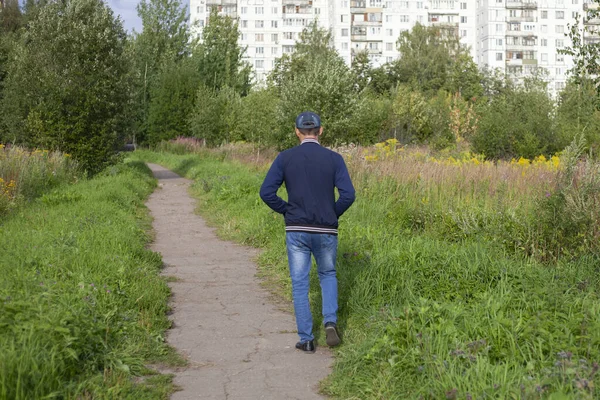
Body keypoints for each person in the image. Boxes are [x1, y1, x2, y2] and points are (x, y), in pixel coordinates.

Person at [259, 111, 356, 353]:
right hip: (325, 229)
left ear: (297, 131)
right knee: (328, 274)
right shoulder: (334, 159)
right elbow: (349, 195)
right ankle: (330, 322)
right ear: (321, 130)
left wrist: (287, 210)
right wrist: (332, 214)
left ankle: (307, 339)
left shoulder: (285, 158)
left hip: (297, 230)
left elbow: (266, 192)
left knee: (300, 283)